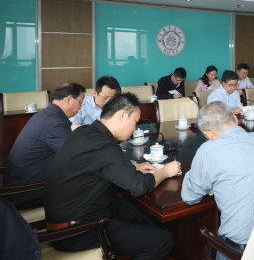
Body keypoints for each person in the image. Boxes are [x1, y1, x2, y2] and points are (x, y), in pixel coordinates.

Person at [44, 92, 181, 258]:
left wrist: (133, 167)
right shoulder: (103, 145)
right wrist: (165, 171)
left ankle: (142, 245)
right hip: (76, 230)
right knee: (163, 241)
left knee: (150, 213)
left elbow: (99, 164)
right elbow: (139, 185)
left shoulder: (87, 132)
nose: (134, 129)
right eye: (135, 122)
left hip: (79, 212)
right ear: (122, 115)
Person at [182, 101, 254, 256]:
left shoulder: (208, 151)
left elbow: (190, 197)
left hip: (243, 251)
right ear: (235, 118)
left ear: (208, 134)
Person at [3, 82, 86, 204]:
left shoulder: (46, 115)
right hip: (27, 192)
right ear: (68, 99)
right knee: (88, 183)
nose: (80, 108)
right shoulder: (54, 123)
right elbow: (76, 155)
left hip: (17, 185)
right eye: (80, 103)